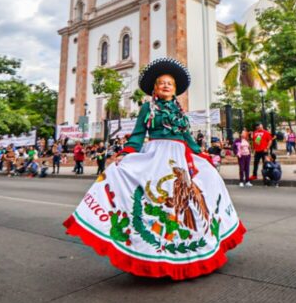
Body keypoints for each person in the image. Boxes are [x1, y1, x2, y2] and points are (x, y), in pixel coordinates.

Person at [63, 57, 245, 280]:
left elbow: (187, 137)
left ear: (175, 89)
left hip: (181, 157)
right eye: (162, 82)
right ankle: (153, 255)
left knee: (193, 196)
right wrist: (126, 154)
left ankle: (194, 250)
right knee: (158, 199)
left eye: (170, 83)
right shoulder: (147, 109)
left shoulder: (180, 112)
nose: (166, 85)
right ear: (155, 89)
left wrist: (201, 155)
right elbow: (138, 134)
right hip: (156, 154)